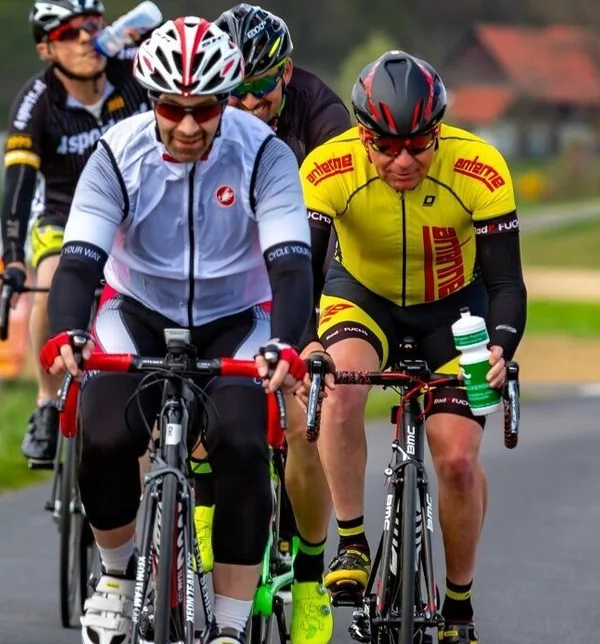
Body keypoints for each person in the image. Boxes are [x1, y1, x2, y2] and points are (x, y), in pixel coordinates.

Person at [41, 17, 315, 644]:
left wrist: (288, 344)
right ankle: (114, 577)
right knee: (104, 433)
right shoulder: (116, 153)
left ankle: (228, 624)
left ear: (226, 99)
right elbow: (79, 260)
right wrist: (67, 333)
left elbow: (292, 265)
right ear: (150, 99)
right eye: (172, 108)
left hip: (237, 317)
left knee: (244, 445)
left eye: (206, 109)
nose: (189, 126)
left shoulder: (266, 154)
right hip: (137, 307)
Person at [299, 50, 528, 644]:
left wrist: (502, 345)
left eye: (419, 145)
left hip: (456, 310)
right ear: (360, 135)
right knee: (341, 389)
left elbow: (505, 284)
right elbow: (298, 274)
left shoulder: (480, 166)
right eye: (385, 147)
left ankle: (458, 605)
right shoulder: (327, 168)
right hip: (362, 297)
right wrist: (306, 342)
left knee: (455, 459)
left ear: (439, 132)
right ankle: (350, 541)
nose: (403, 160)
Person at [197, 5, 352, 644]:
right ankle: (202, 514)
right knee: (197, 392)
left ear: (286, 74)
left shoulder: (322, 116)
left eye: (262, 87)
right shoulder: (206, 116)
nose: (249, 102)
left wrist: (308, 327)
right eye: (235, 90)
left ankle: (312, 578)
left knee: (302, 424)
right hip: (231, 270)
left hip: (306, 264)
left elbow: (333, 228)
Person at [0, 0, 153, 469]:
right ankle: (46, 402)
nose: (86, 39)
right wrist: (12, 259)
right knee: (53, 277)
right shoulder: (36, 101)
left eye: (92, 27)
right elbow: (19, 187)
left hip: (133, 214)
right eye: (70, 33)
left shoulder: (132, 74)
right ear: (46, 48)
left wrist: (141, 36)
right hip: (63, 216)